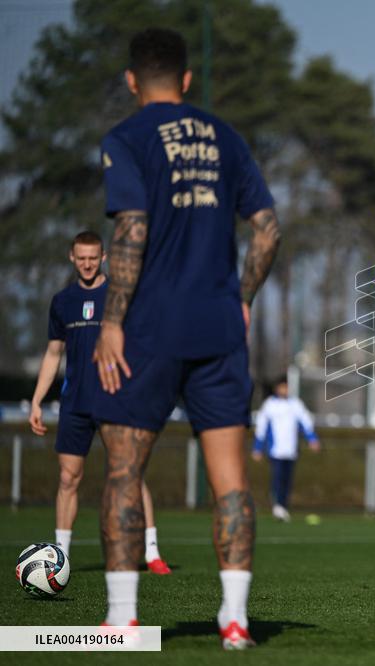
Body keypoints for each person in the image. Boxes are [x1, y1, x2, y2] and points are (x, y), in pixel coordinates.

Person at [90, 28, 279, 649]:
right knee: (231, 482)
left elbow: (133, 228)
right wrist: (243, 300)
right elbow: (267, 230)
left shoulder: (126, 138)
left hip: (148, 329)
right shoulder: (225, 136)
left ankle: (123, 621)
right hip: (220, 327)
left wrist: (112, 320)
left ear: (132, 81)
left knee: (124, 471)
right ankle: (235, 621)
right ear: (188, 80)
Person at [28, 231, 171, 575]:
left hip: (117, 400)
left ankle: (151, 551)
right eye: (82, 258)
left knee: (130, 473)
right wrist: (36, 401)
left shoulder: (120, 296)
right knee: (67, 477)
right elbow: (52, 354)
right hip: (74, 402)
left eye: (94, 257)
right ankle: (59, 558)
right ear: (71, 258)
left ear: (103, 256)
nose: (88, 263)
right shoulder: (62, 301)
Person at [252, 377, 321, 522]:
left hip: (291, 450)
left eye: (287, 387)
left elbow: (305, 423)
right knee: (277, 479)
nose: (285, 390)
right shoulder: (269, 405)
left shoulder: (295, 404)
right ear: (277, 388)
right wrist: (257, 448)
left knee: (287, 481)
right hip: (275, 451)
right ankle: (278, 506)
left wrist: (312, 439)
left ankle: (283, 507)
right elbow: (261, 427)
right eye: (282, 387)